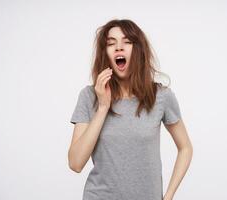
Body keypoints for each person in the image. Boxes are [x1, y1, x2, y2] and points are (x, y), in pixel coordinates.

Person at [68, 19, 193, 200]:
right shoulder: (89, 96)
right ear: (105, 53)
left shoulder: (161, 96)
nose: (119, 47)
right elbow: (75, 163)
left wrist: (169, 195)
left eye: (127, 42)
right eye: (111, 43)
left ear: (138, 50)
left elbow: (185, 147)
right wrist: (103, 107)